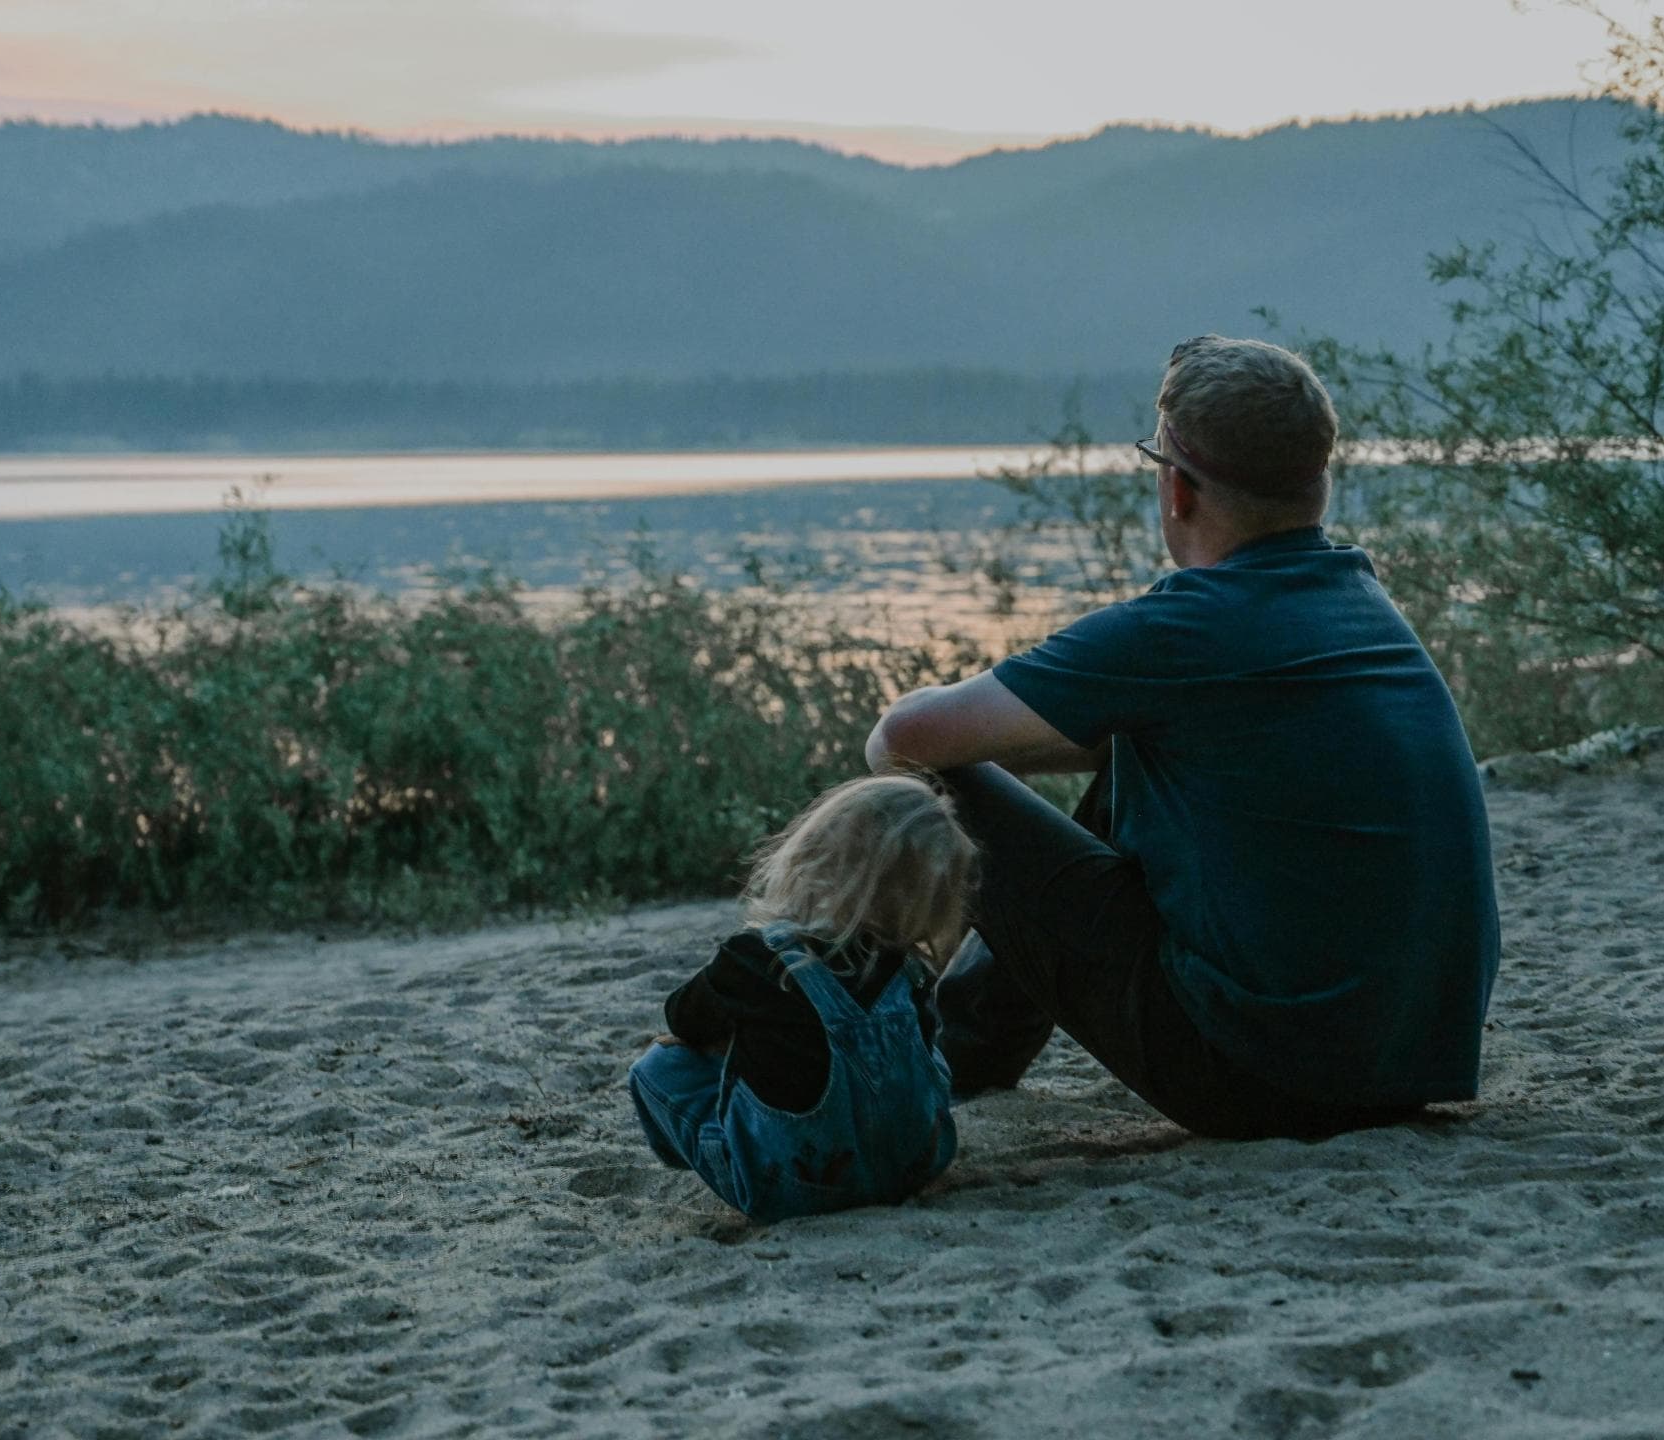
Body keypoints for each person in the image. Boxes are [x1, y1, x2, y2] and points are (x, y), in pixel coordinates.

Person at [865, 335, 1500, 1141]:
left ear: (1176, 489)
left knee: (937, 781)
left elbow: (900, 740)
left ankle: (951, 1043)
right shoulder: (1359, 602)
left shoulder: (1185, 629)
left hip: (1260, 1077)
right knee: (1137, 742)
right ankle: (968, 1045)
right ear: (1319, 484)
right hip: (1414, 1061)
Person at [627, 774, 974, 1222]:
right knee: (923, 1055)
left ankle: (702, 1156)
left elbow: (682, 1018)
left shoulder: (754, 958)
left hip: (791, 1188)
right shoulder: (911, 972)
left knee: (659, 1065)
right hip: (911, 1170)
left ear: (815, 854)